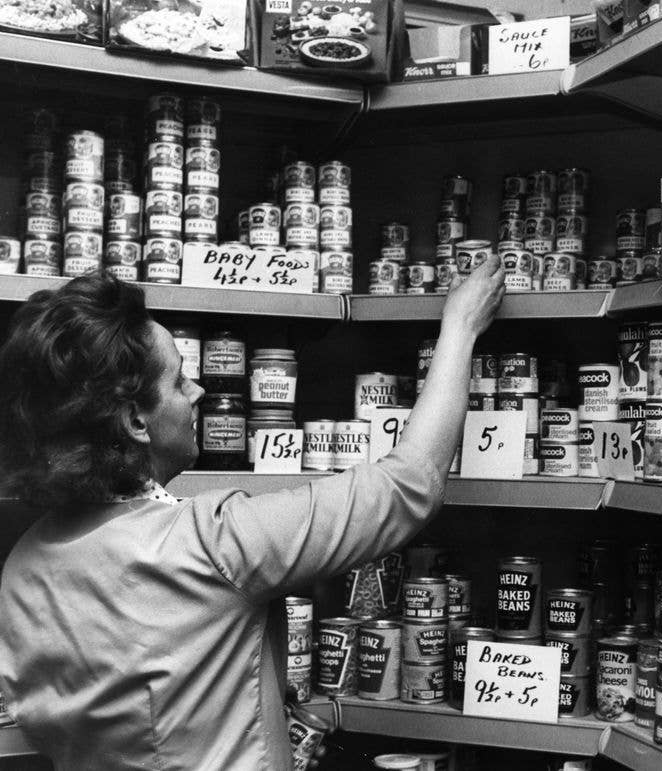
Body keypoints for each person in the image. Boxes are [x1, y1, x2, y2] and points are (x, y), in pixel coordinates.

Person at [0, 258, 505, 770]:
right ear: (135, 420)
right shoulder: (212, 543)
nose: (198, 393)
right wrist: (460, 328)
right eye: (178, 383)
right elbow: (409, 486)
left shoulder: (24, 564)